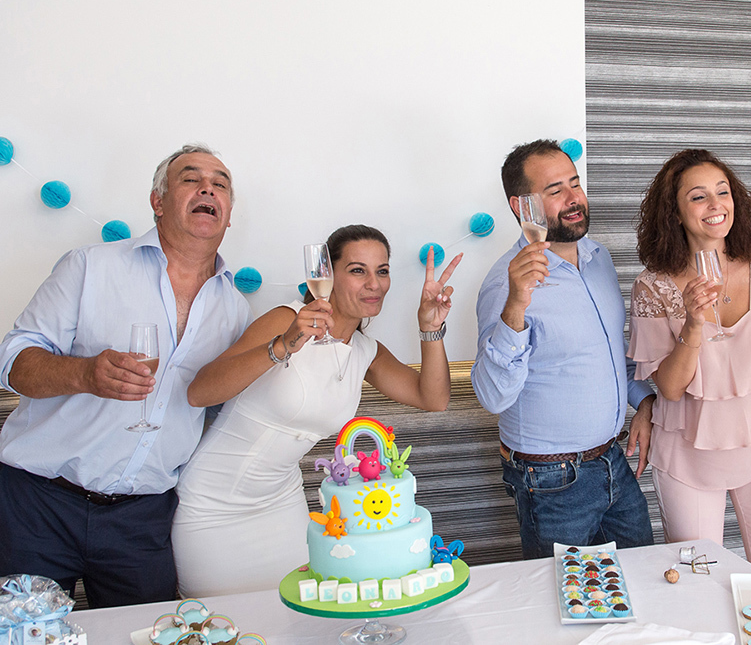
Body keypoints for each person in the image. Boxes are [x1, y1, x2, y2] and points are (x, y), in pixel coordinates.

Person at [0, 144, 252, 607]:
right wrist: (84, 375)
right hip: (38, 504)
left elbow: (216, 409)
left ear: (229, 213)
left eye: (220, 184)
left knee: (145, 636)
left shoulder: (235, 309)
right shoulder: (90, 266)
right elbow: (14, 362)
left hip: (142, 519)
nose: (207, 189)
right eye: (190, 179)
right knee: (19, 636)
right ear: (157, 202)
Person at [171, 225, 461, 597]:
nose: (374, 283)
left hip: (281, 504)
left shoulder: (364, 351)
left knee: (297, 617)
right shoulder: (284, 319)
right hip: (211, 506)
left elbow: (433, 398)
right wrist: (283, 345)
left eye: (382, 271)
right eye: (358, 270)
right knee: (224, 626)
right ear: (326, 275)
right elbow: (199, 391)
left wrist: (430, 328)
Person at [627, 149, 751, 575]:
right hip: (687, 460)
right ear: (674, 213)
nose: (716, 205)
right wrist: (693, 324)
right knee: (697, 587)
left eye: (723, 192)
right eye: (698, 197)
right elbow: (670, 388)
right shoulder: (652, 287)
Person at [471, 139, 656, 559]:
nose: (574, 199)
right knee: (566, 609)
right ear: (523, 208)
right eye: (555, 191)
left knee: (642, 590)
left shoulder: (598, 259)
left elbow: (611, 355)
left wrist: (643, 402)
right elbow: (493, 396)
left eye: (575, 183)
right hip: (551, 481)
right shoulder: (505, 284)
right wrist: (516, 304)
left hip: (613, 463)